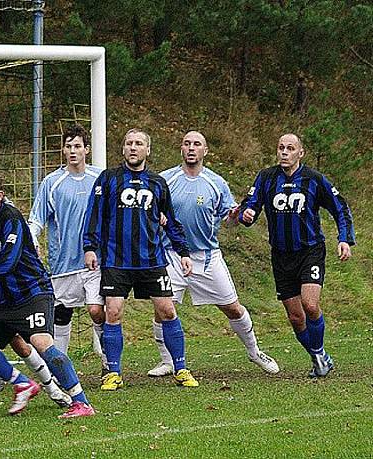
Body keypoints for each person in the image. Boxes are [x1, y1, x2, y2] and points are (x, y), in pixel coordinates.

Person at [0, 171, 95, 418]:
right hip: (6, 299)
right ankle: (22, 383)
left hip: (32, 293)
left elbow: (7, 263)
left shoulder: (11, 218)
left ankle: (81, 402)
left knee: (42, 343)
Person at [146, 131, 279, 377]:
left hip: (206, 257)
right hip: (170, 255)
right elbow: (148, 210)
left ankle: (254, 351)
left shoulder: (216, 183)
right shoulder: (165, 180)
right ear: (181, 149)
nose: (191, 148)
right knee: (163, 308)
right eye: (187, 143)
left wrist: (241, 215)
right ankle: (167, 361)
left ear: (205, 151)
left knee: (233, 308)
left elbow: (230, 216)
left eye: (196, 144)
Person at [83, 128, 199, 391]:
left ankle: (180, 368)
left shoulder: (158, 183)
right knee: (112, 313)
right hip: (116, 260)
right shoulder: (108, 179)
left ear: (148, 150)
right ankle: (113, 373)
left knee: (168, 311)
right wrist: (90, 247)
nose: (133, 148)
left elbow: (170, 220)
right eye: (128, 143)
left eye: (138, 144)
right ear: (123, 149)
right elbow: (94, 216)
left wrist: (183, 252)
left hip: (151, 259)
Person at [238, 133, 354, 378]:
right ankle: (318, 358)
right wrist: (246, 214)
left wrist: (344, 238)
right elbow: (249, 204)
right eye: (281, 147)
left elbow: (339, 207)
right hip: (281, 256)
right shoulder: (266, 178)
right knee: (295, 316)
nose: (284, 152)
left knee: (310, 305)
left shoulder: (314, 179)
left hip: (310, 251)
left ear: (300, 153)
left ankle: (320, 352)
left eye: (290, 148)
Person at [28, 124, 108, 374]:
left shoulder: (101, 178)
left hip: (95, 261)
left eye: (77, 146)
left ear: (86, 149)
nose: (72, 151)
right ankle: (60, 369)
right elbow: (36, 219)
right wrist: (32, 242)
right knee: (62, 314)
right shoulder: (52, 182)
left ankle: (110, 366)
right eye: (68, 146)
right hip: (62, 262)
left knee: (97, 311)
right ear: (63, 150)